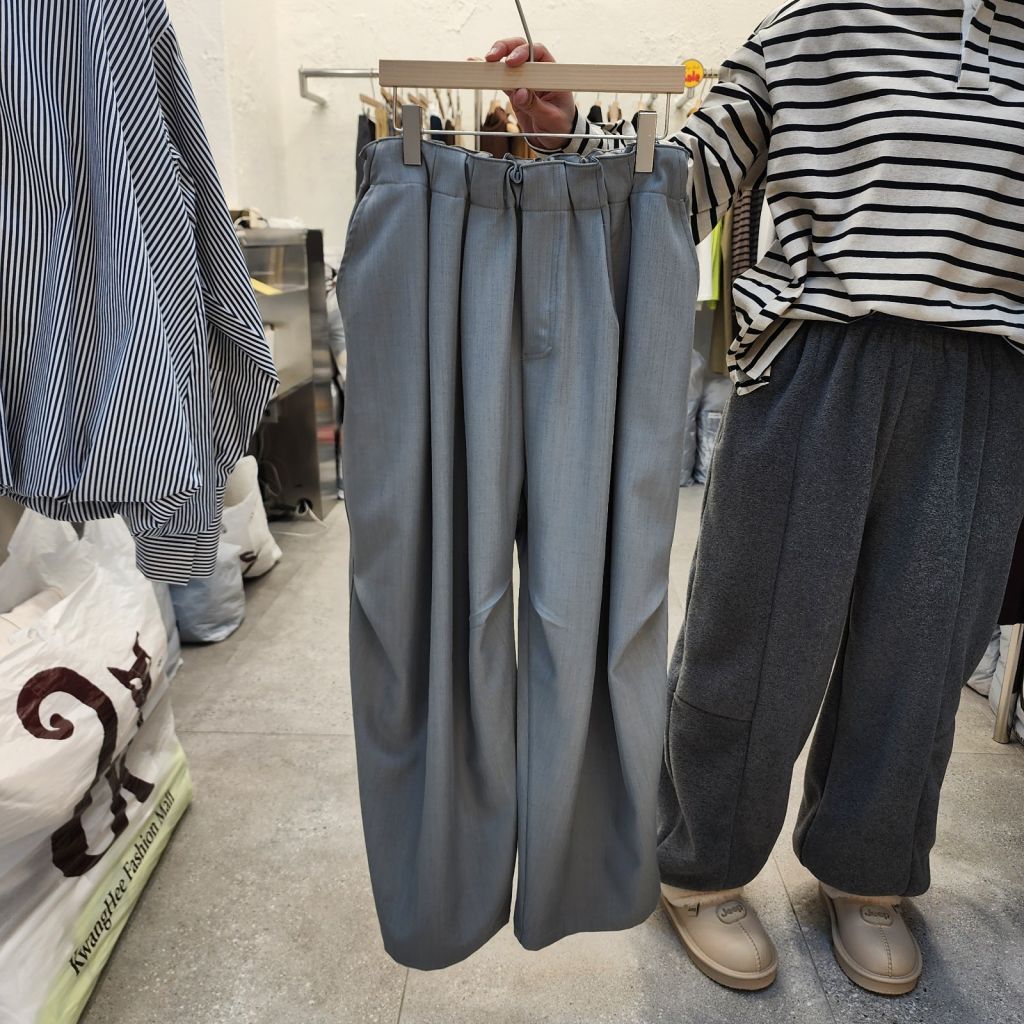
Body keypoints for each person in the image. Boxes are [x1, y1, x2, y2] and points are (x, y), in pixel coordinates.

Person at [487, 0, 1024, 997]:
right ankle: (698, 863)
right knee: (756, 633)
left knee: (923, 651)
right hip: (819, 360)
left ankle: (867, 873)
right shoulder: (812, 26)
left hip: (988, 381)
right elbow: (683, 184)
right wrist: (572, 135)